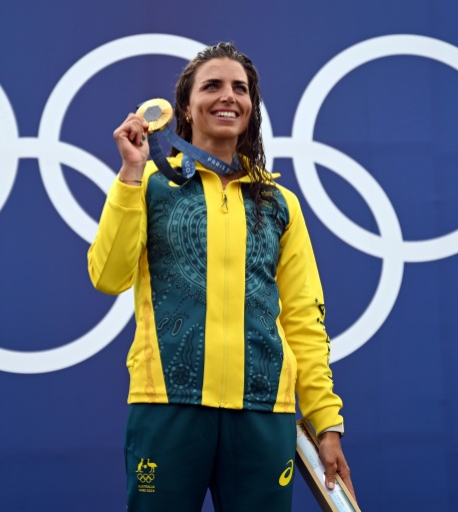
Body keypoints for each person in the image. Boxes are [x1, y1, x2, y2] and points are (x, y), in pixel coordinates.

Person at [88, 42, 355, 511]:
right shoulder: (151, 184)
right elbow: (108, 276)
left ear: (251, 108)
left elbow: (303, 321)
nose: (227, 96)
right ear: (185, 109)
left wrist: (325, 422)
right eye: (211, 86)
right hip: (168, 406)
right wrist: (130, 173)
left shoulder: (278, 204)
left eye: (241, 88)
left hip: (262, 413)